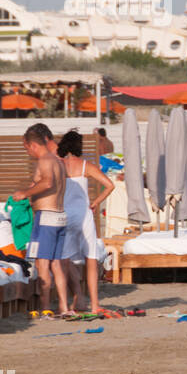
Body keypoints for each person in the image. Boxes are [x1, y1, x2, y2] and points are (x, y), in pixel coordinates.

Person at [11, 124, 71, 316]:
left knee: (42, 263)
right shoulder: (58, 161)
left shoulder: (45, 160)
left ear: (32, 145)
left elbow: (48, 183)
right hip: (59, 216)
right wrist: (33, 187)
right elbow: (49, 183)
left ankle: (45, 307)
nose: (27, 152)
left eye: (26, 148)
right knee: (56, 264)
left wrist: (25, 193)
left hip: (46, 217)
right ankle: (63, 306)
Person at [56, 131, 114, 316]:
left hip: (64, 215)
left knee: (64, 260)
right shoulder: (85, 166)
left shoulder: (60, 166)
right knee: (90, 259)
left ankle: (65, 304)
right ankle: (95, 304)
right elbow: (110, 185)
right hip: (84, 215)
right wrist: (96, 202)